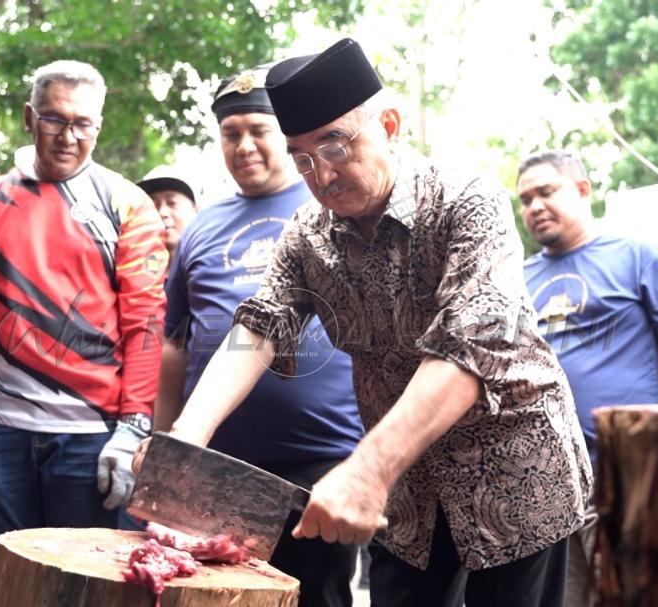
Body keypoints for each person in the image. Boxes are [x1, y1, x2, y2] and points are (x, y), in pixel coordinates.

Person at [139, 39, 592, 607]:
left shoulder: (467, 202)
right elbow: (257, 328)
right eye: (301, 157)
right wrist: (186, 439)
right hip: (407, 498)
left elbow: (470, 349)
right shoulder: (307, 234)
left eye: (334, 143)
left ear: (390, 124)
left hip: (512, 471)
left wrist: (365, 470)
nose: (322, 174)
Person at [0, 60, 168, 601]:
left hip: (92, 439)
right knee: (0, 587)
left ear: (99, 125)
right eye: (54, 119)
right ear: (29, 117)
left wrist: (135, 427)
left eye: (83, 124)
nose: (69, 136)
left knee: (85, 594)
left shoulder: (128, 204)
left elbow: (144, 323)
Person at [157, 64, 364, 606]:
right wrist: (165, 444)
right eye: (231, 134)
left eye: (258, 131)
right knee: (214, 594)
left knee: (317, 596)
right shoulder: (199, 226)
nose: (244, 146)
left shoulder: (331, 206)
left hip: (324, 459)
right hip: (218, 457)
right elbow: (173, 344)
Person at [517, 151, 658, 606]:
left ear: (582, 190)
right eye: (525, 199)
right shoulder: (515, 279)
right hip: (547, 479)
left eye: (546, 192)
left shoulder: (642, 255)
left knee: (631, 592)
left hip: (627, 465)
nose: (534, 207)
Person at [136, 168, 198, 257]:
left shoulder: (217, 263)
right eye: (153, 205)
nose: (162, 212)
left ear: (196, 211)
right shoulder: (124, 266)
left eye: (172, 203)